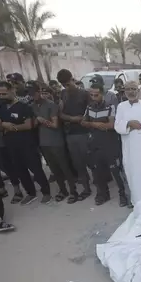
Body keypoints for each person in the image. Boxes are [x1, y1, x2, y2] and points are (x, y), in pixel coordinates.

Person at [0, 81, 51, 205]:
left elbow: (28, 125)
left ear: (12, 91)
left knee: (36, 169)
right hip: (10, 145)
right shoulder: (1, 107)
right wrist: (3, 125)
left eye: (4, 93)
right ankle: (30, 193)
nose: (1, 96)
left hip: (27, 144)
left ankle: (46, 192)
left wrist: (11, 127)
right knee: (20, 170)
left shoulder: (24, 106)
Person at [83, 83, 129, 207]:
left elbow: (111, 125)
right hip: (95, 144)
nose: (93, 97)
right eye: (91, 95)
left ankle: (123, 195)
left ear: (102, 94)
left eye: (96, 95)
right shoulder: (89, 107)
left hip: (110, 144)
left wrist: (93, 124)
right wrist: (96, 125)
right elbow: (83, 122)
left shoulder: (111, 107)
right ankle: (104, 194)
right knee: (97, 172)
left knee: (116, 171)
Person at [114, 80, 141, 205]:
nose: (131, 92)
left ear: (138, 91)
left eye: (133, 89)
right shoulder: (121, 106)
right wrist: (129, 124)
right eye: (128, 89)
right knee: (133, 173)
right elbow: (117, 126)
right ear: (124, 92)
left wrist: (138, 125)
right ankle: (137, 202)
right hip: (129, 148)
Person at [32, 84, 78, 203]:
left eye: (35, 92)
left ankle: (73, 191)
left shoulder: (51, 105)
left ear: (39, 91)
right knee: (54, 169)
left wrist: (42, 120)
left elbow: (55, 125)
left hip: (56, 141)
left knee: (64, 167)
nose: (33, 95)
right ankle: (63, 190)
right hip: (43, 142)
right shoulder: (33, 106)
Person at [57, 69, 93, 200]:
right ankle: (86, 188)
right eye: (63, 85)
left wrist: (83, 120)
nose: (66, 87)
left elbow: (91, 112)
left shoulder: (84, 94)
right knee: (78, 163)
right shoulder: (63, 94)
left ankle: (101, 187)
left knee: (90, 161)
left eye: (67, 84)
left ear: (72, 79)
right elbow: (60, 114)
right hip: (70, 133)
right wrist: (73, 119)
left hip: (85, 132)